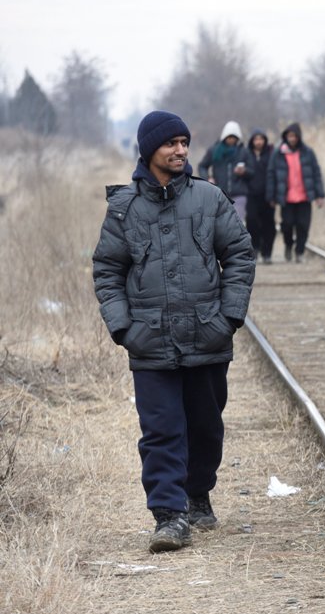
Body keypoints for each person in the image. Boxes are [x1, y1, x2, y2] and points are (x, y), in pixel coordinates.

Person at [92, 110, 255, 553]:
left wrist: (228, 317)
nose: (180, 150)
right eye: (171, 143)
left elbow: (240, 255)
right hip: (149, 341)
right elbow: (107, 270)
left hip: (207, 336)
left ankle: (197, 493)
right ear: (150, 150)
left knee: (205, 427)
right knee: (161, 430)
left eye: (184, 143)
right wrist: (123, 327)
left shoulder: (209, 198)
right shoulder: (124, 208)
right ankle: (169, 515)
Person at [267, 122, 325, 263]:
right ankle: (288, 244)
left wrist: (319, 195)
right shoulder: (278, 153)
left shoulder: (308, 153)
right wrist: (271, 196)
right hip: (286, 197)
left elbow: (316, 173)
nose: (292, 139)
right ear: (286, 137)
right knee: (287, 225)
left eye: (294, 136)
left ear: (299, 137)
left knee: (303, 226)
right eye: (289, 136)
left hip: (304, 197)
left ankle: (299, 252)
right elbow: (271, 174)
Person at [198, 120, 256, 221]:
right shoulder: (214, 150)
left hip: (239, 194)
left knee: (237, 223)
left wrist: (244, 171)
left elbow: (252, 171)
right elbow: (202, 166)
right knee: (221, 224)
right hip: (219, 194)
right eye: (229, 137)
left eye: (234, 137)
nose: (231, 140)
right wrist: (208, 178)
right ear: (224, 137)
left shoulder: (244, 152)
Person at [247, 128, 277, 264]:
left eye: (261, 139)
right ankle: (255, 248)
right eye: (256, 139)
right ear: (252, 141)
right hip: (251, 195)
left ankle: (267, 253)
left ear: (265, 141)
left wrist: (274, 195)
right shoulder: (247, 154)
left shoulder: (271, 154)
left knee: (268, 225)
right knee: (252, 222)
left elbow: (275, 174)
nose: (258, 142)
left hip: (268, 195)